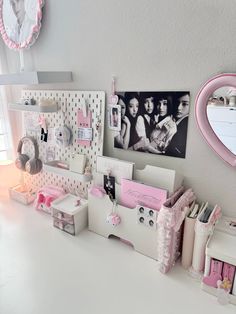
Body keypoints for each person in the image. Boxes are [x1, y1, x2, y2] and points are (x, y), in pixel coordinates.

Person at [165, 92, 190, 158]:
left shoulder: (185, 125)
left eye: (184, 104)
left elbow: (171, 153)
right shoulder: (172, 120)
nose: (179, 107)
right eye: (177, 103)